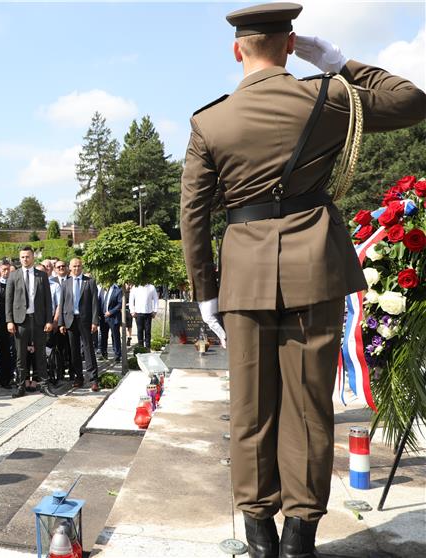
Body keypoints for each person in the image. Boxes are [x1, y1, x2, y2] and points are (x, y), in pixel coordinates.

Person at [180, 4, 426, 557]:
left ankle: (260, 538)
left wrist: (206, 293)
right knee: (310, 406)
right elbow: (412, 100)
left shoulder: (209, 122)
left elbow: (192, 215)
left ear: (236, 49)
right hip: (316, 268)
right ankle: (299, 540)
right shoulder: (328, 97)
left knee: (250, 408)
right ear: (291, 44)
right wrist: (338, 60)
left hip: (242, 277)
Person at [5, 246, 53, 398]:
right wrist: (9, 320)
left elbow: (48, 300)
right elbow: (9, 300)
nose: (25, 259)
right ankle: (20, 386)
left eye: (27, 256)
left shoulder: (42, 275)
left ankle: (44, 385)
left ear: (33, 257)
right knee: (21, 356)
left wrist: (48, 320)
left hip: (38, 320)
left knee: (40, 354)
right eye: (22, 257)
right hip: (20, 321)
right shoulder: (14, 275)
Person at [57, 258, 100, 391]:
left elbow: (94, 303)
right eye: (74, 266)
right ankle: (78, 377)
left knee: (88, 349)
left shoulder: (90, 282)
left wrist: (94, 321)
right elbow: (62, 303)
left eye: (79, 266)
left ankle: (93, 379)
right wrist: (61, 323)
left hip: (85, 320)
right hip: (70, 320)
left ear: (82, 267)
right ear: (70, 267)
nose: (76, 268)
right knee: (74, 350)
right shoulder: (66, 283)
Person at [128, 283, 158, 348]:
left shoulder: (151, 287)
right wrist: (132, 311)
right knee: (139, 330)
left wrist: (155, 310)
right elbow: (131, 300)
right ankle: (140, 347)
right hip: (138, 312)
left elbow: (156, 299)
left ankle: (148, 347)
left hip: (148, 312)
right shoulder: (135, 287)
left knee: (148, 331)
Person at [99, 283, 123, 360]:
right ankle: (104, 353)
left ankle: (117, 354)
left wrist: (111, 312)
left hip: (113, 317)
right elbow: (99, 302)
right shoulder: (102, 290)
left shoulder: (117, 290)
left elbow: (120, 304)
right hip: (103, 317)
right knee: (103, 336)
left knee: (115, 336)